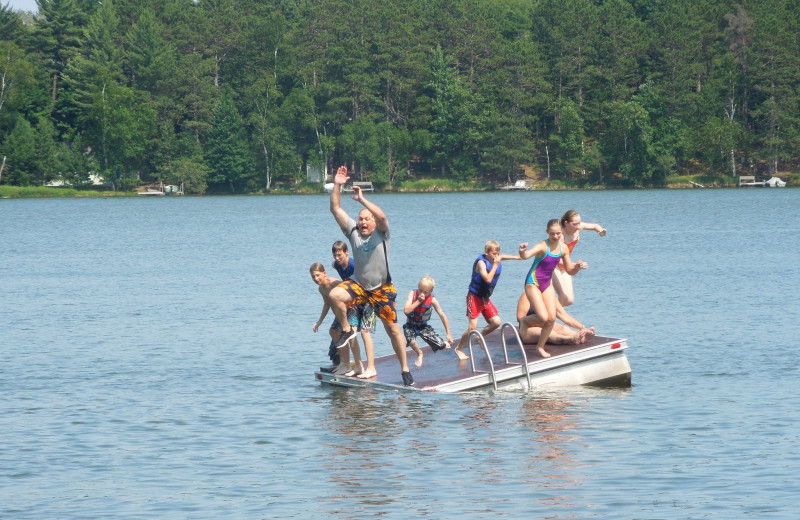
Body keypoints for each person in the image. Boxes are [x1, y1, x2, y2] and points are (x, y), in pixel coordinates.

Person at [327, 165, 414, 386]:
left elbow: (383, 216)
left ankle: (404, 369)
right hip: (359, 285)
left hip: (381, 288)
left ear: (373, 223)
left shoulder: (382, 233)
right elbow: (336, 208)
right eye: (360, 219)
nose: (363, 222)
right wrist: (337, 184)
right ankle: (347, 330)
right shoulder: (353, 232)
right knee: (335, 294)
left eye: (367, 219)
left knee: (392, 329)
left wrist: (362, 200)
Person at [519, 219, 587, 358]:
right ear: (547, 233)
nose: (555, 236)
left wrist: (577, 268)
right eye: (552, 234)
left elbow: (569, 270)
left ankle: (540, 347)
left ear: (561, 232)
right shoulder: (542, 246)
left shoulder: (563, 248)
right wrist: (522, 251)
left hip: (546, 283)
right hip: (533, 282)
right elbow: (525, 256)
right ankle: (525, 321)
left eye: (557, 233)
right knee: (543, 317)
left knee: (551, 318)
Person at [453, 240, 524, 361]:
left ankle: (480, 338)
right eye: (494, 254)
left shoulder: (496, 258)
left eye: (498, 253)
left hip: (485, 298)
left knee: (496, 322)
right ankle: (459, 348)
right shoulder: (481, 263)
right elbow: (487, 279)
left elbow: (510, 257)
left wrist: (521, 256)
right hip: (474, 297)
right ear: (486, 252)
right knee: (472, 327)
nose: (496, 256)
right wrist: (496, 264)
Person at [332, 240, 377, 379]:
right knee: (351, 333)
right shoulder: (336, 265)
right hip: (354, 301)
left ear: (347, 252)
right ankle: (358, 366)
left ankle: (371, 368)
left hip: (368, 300)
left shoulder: (354, 265)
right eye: (335, 255)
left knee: (365, 332)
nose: (337, 258)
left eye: (340, 255)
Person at [309, 262, 363, 375]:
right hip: (339, 313)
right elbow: (326, 304)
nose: (316, 278)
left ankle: (352, 364)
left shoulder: (334, 283)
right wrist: (319, 322)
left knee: (346, 334)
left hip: (349, 309)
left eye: (318, 275)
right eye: (313, 276)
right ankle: (344, 363)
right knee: (333, 332)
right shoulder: (321, 289)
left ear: (324, 273)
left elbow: (348, 292)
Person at [552, 209, 606, 307]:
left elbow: (594, 226)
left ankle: (546, 314)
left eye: (579, 223)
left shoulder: (578, 227)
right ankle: (546, 317)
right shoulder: (560, 236)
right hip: (553, 266)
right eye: (575, 224)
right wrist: (575, 265)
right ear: (566, 223)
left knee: (569, 300)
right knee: (563, 296)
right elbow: (556, 259)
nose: (578, 226)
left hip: (565, 266)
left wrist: (600, 231)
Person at [402, 276, 453, 367]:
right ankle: (419, 353)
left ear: (430, 291)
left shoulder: (433, 300)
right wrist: (418, 301)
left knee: (440, 346)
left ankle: (443, 343)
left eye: (425, 292)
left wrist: (448, 333)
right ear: (418, 286)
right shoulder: (412, 294)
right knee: (411, 340)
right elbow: (406, 310)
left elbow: (442, 315)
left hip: (423, 326)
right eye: (420, 290)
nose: (422, 293)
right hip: (410, 325)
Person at [515, 292, 595, 345]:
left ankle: (581, 337)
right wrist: (541, 322)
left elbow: (564, 316)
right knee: (549, 333)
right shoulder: (527, 295)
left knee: (562, 328)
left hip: (544, 325)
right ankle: (571, 339)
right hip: (527, 329)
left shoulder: (549, 296)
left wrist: (582, 328)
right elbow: (520, 318)